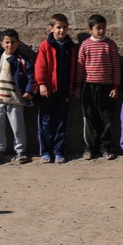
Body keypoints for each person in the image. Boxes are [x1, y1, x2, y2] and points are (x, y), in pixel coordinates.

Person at [0, 29, 35, 164]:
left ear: (18, 43)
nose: (10, 45)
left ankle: (21, 150)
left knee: (18, 126)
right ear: (1, 43)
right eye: (7, 42)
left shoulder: (22, 59)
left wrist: (29, 91)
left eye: (13, 42)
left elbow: (31, 77)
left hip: (15, 99)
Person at [74, 14, 121, 160]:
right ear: (90, 30)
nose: (101, 31)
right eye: (98, 28)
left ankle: (105, 148)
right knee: (90, 118)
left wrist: (115, 87)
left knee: (106, 119)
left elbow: (116, 67)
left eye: (103, 28)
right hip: (89, 87)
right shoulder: (85, 45)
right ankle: (89, 148)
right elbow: (80, 67)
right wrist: (78, 86)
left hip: (107, 87)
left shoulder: (110, 45)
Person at [34, 13, 78, 164]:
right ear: (51, 28)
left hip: (64, 90)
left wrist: (74, 86)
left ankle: (59, 151)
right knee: (45, 121)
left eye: (65, 27)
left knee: (61, 121)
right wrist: (41, 83)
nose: (62, 31)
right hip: (48, 90)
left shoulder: (71, 47)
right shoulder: (45, 46)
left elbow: (74, 68)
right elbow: (40, 66)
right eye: (58, 27)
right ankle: (46, 151)